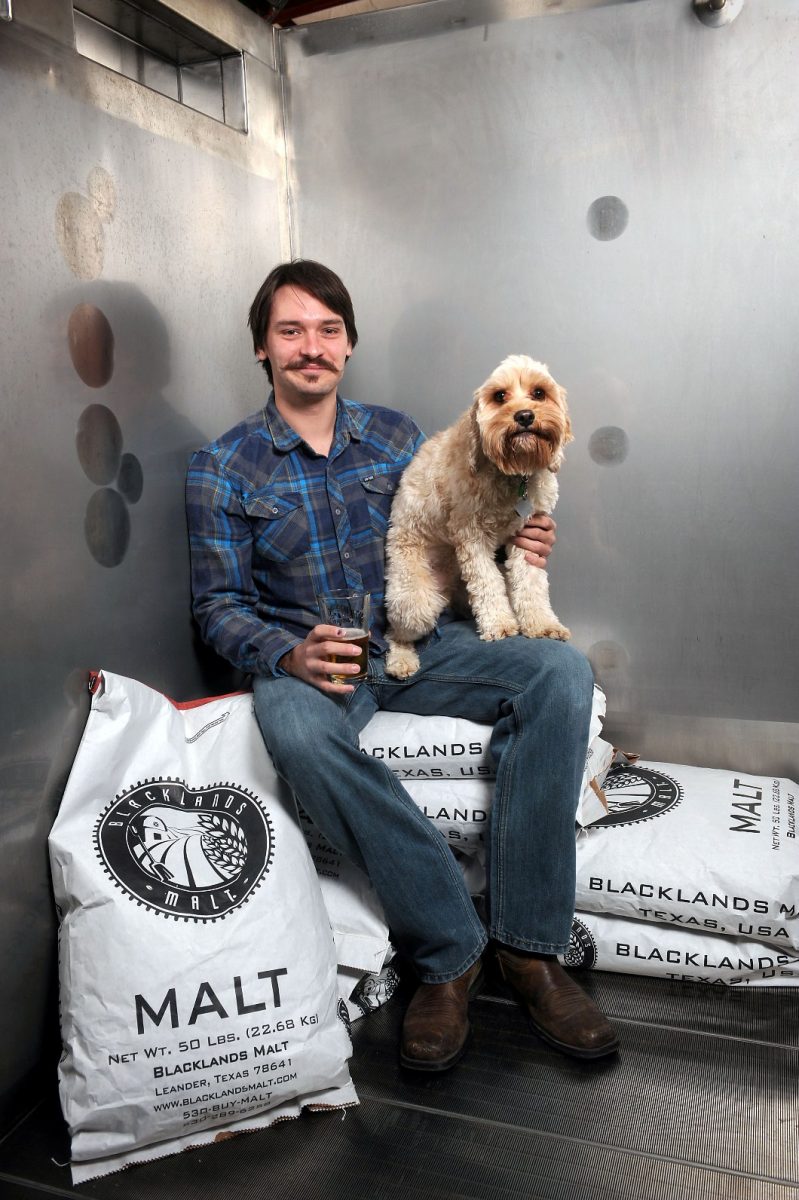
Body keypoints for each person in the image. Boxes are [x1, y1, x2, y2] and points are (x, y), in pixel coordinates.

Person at [186, 260, 618, 1071]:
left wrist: (524, 537)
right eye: (290, 331)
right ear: (261, 349)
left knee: (562, 674)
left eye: (326, 330)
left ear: (348, 344)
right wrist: (285, 651)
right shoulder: (222, 466)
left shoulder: (397, 436)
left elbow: (480, 515)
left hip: (426, 639)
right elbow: (215, 608)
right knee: (299, 735)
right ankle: (449, 951)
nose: (310, 347)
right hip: (314, 659)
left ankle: (529, 949)